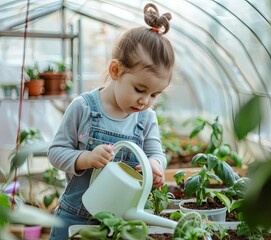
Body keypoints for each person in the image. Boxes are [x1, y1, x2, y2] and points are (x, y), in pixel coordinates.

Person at [48, 2, 175, 240]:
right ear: (116, 71)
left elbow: (156, 153)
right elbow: (56, 152)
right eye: (139, 89)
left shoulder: (146, 118)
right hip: (75, 216)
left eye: (155, 95)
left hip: (120, 222)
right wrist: (86, 158)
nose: (145, 101)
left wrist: (155, 166)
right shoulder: (83, 107)